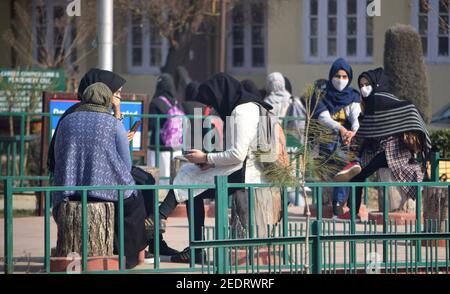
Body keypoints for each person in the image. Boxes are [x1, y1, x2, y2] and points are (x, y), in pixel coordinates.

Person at [147, 73, 273, 263]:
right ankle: (193, 246)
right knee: (192, 182)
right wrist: (208, 161)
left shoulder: (241, 111)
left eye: (212, 103)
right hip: (244, 169)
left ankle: (159, 217)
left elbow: (238, 154)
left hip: (248, 173)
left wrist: (206, 157)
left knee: (189, 175)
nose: (212, 108)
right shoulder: (247, 106)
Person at [52, 82, 147, 269]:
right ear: (106, 100)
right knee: (134, 200)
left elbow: (57, 155)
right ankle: (129, 256)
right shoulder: (113, 124)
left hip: (69, 190)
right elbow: (126, 164)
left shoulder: (66, 121)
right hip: (108, 189)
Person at [340, 67, 431, 221]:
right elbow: (371, 131)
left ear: (377, 84)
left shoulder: (377, 99)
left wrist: (355, 138)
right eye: (361, 85)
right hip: (384, 151)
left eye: (367, 84)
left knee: (357, 176)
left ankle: (353, 213)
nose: (363, 88)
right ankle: (352, 209)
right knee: (358, 173)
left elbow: (367, 131)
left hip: (392, 152)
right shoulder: (375, 102)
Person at [47, 68, 129, 176]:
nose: (119, 97)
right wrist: (117, 112)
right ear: (104, 90)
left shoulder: (77, 111)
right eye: (117, 92)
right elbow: (126, 166)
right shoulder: (82, 113)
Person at [312, 58, 362, 218]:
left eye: (344, 77)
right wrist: (341, 129)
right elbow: (323, 118)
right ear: (331, 75)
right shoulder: (322, 95)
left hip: (346, 141)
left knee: (352, 165)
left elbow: (356, 117)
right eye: (337, 76)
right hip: (326, 142)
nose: (341, 80)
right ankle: (338, 203)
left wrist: (352, 132)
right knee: (345, 164)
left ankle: (340, 204)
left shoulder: (353, 95)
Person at [147, 74, 184, 185]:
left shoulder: (156, 102)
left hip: (158, 147)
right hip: (176, 148)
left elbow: (151, 125)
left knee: (157, 181)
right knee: (172, 180)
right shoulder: (177, 103)